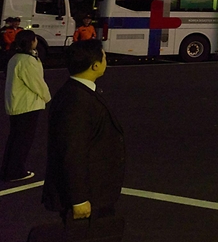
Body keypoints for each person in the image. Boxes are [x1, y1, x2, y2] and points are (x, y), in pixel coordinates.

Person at [42, 39, 125, 220]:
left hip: (95, 191)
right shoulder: (76, 101)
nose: (106, 60)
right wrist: (79, 199)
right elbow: (72, 151)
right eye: (104, 57)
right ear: (94, 65)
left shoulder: (78, 92)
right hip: (89, 194)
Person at [1, 30, 51, 181]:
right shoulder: (27, 61)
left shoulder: (15, 58)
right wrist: (47, 97)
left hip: (16, 104)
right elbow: (36, 83)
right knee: (23, 140)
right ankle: (16, 171)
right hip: (27, 105)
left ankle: (7, 168)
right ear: (32, 41)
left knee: (15, 138)